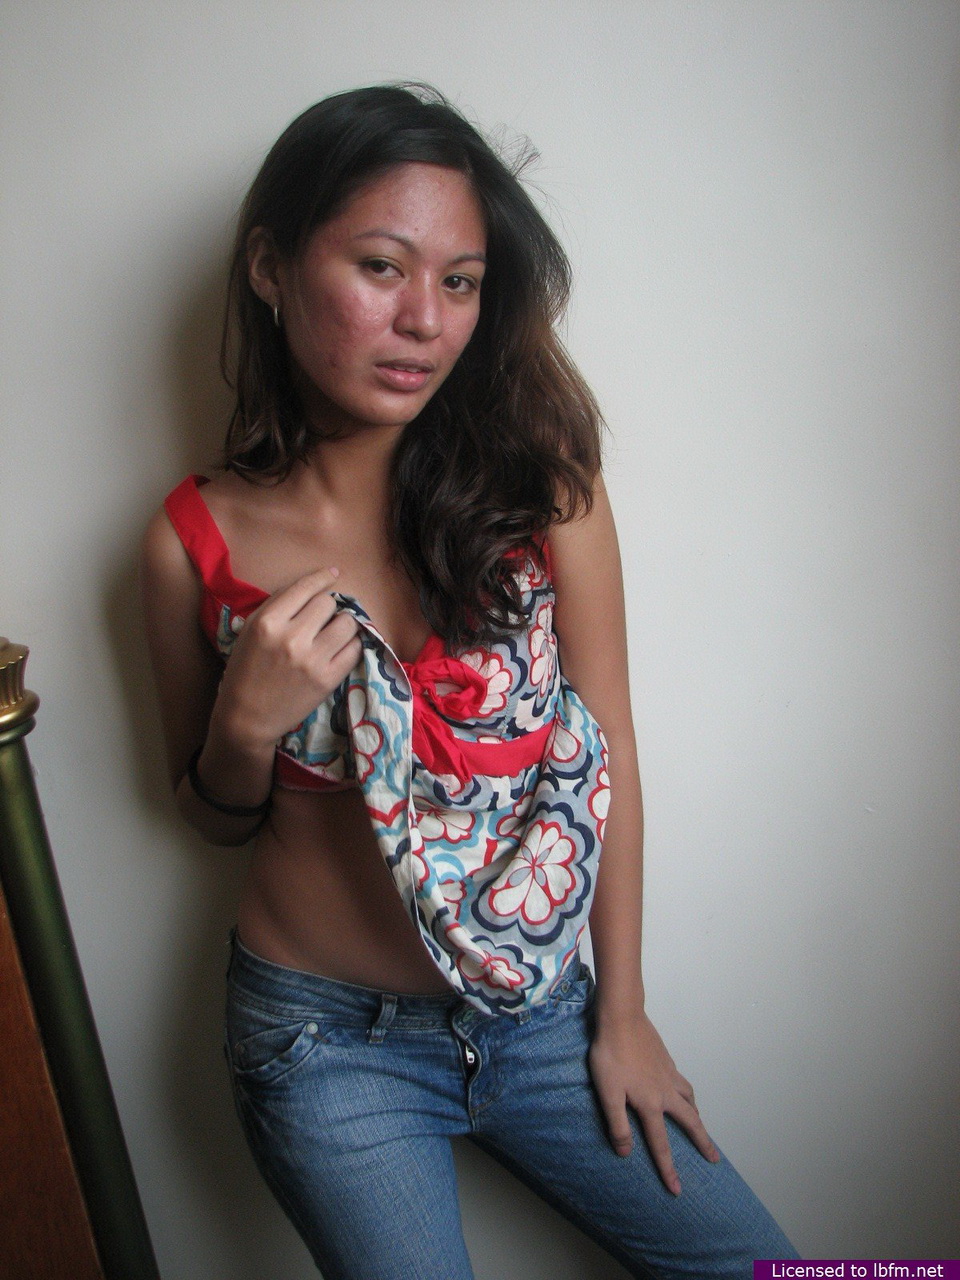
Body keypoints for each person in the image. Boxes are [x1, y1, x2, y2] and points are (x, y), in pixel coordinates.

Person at [141, 84, 798, 1280]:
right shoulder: (194, 540)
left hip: (542, 1012)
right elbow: (206, 812)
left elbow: (607, 744)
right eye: (380, 267)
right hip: (324, 1044)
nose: (424, 320)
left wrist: (623, 1011)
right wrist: (243, 724)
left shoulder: (545, 490)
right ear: (272, 268)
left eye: (460, 281)